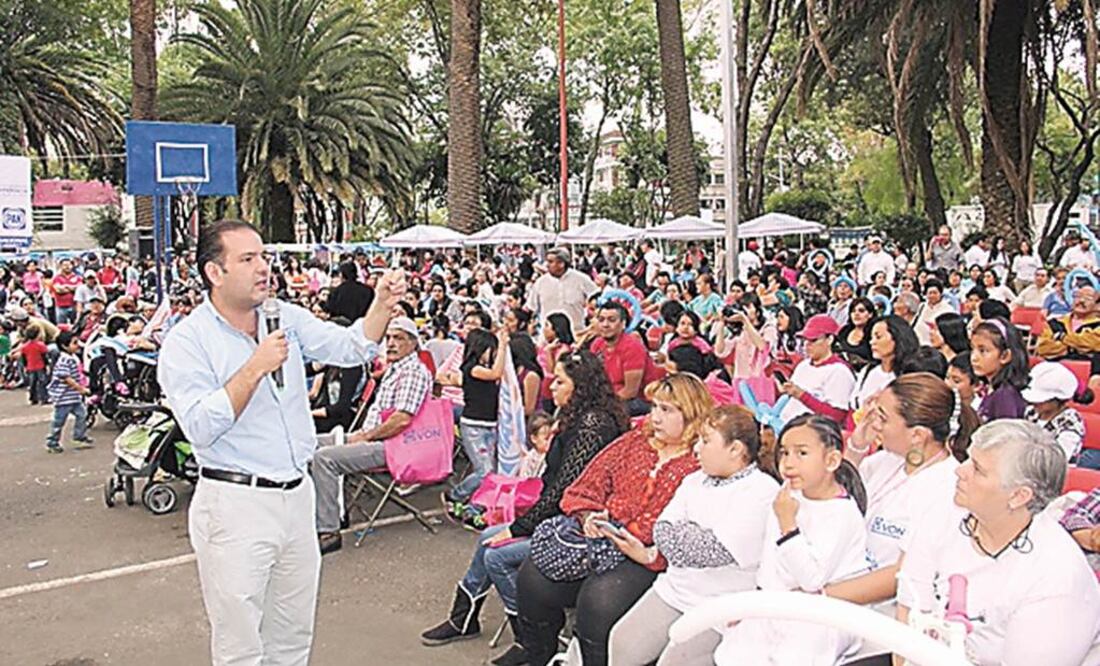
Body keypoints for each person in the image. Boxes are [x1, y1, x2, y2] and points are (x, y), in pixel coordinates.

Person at [157, 220, 401, 665]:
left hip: (295, 496)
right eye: (247, 259)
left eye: (263, 257)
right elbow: (200, 426)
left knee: (292, 635)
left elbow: (350, 348)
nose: (263, 268)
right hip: (235, 504)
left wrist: (382, 306)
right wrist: (254, 366)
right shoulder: (187, 342)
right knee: (241, 645)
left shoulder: (283, 316)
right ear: (215, 272)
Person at [421, 352, 628, 665]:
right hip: (559, 516)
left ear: (581, 386)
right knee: (488, 539)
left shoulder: (592, 423)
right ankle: (464, 617)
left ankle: (530, 640)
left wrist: (518, 527)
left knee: (497, 553)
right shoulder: (579, 414)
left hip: (576, 526)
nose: (552, 386)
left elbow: (563, 491)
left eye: (560, 380)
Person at [516, 374, 714, 666]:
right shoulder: (635, 441)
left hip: (650, 555)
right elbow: (584, 487)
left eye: (666, 410)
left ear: (692, 413)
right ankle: (538, 656)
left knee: (598, 604)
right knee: (531, 579)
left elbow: (681, 527)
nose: (654, 417)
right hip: (601, 539)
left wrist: (629, 533)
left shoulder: (703, 459)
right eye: (654, 407)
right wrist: (587, 516)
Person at [898, 420, 1100, 665]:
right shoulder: (945, 511)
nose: (960, 470)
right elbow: (907, 614)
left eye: (977, 469)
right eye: (968, 459)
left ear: (1018, 496)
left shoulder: (1057, 576)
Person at [607, 405, 779, 666]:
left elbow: (714, 551)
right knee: (621, 643)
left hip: (720, 606)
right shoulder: (694, 480)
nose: (696, 448)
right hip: (674, 590)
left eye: (706, 440)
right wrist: (694, 536)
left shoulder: (762, 491)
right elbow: (661, 531)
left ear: (735, 449)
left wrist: (686, 535)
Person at [715, 414, 870, 666]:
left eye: (802, 453)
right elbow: (771, 567)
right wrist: (753, 604)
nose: (788, 464)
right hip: (773, 608)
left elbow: (811, 580)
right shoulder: (786, 496)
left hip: (817, 619)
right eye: (785, 453)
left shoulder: (842, 513)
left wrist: (788, 525)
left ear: (831, 460)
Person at [828, 374, 979, 612]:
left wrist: (820, 596)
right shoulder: (886, 461)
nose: (874, 423)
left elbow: (903, 572)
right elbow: (836, 500)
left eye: (883, 418)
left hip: (881, 619)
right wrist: (856, 448)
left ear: (918, 435)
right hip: (840, 593)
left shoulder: (948, 489)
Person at [313, 315, 432, 553]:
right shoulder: (396, 368)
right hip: (372, 436)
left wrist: (365, 436)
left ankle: (328, 529)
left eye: (398, 338)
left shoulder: (413, 371)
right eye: (388, 338)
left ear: (413, 343)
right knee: (306, 443)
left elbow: (401, 420)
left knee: (323, 459)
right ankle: (326, 510)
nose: (391, 343)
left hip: (393, 446)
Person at [443, 327, 507, 519]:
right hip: (474, 426)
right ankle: (456, 495)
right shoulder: (472, 368)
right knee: (485, 471)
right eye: (490, 350)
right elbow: (496, 373)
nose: (492, 354)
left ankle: (475, 508)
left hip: (489, 424)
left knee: (490, 471)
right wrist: (503, 345)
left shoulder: (480, 369)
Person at [778, 314, 856, 426]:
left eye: (813, 340)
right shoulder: (803, 365)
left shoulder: (839, 371)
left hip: (813, 434)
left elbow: (836, 416)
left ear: (829, 339)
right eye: (805, 340)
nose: (807, 345)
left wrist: (802, 396)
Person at [589, 301, 663, 416]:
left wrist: (599, 404)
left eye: (611, 320)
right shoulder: (597, 344)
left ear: (623, 324)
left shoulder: (633, 347)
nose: (605, 324)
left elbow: (630, 391)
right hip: (608, 398)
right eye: (601, 320)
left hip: (638, 401)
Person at [1022, 361, 1092, 464]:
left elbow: (1057, 460)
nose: (1035, 402)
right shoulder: (1031, 412)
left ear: (1059, 399)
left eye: (1043, 399)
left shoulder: (1071, 423)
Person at [850, 315, 919, 417]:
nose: (872, 342)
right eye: (871, 337)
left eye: (878, 337)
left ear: (897, 338)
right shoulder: (868, 371)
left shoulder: (908, 375)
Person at [526, 247, 599, 333]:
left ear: (561, 263)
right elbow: (531, 307)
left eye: (550, 262)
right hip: (548, 337)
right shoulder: (540, 283)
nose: (546, 265)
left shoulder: (581, 279)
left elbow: (597, 299)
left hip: (577, 334)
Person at [971, 318, 1030, 422]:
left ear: (1005, 356)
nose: (974, 358)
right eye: (972, 349)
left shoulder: (1005, 396)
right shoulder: (989, 388)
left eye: (983, 351)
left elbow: (1005, 435)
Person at [44, 331, 93, 453]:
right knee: (59, 421)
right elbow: (66, 378)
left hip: (73, 397)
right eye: (74, 343)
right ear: (65, 346)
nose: (78, 345)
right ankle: (52, 442)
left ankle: (79, 435)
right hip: (63, 397)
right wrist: (80, 389)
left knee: (82, 414)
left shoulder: (72, 358)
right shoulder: (65, 360)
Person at [1036, 285, 1100, 373]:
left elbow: (1092, 343)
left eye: (1088, 298)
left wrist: (1061, 339)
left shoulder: (1097, 325)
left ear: (1097, 305)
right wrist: (1075, 347)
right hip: (1054, 369)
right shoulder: (1055, 322)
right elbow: (1044, 348)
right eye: (1078, 296)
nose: (1081, 301)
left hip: (1089, 372)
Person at [835, 297, 874, 370]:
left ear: (870, 314)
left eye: (861, 311)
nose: (856, 314)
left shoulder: (874, 334)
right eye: (853, 311)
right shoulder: (844, 331)